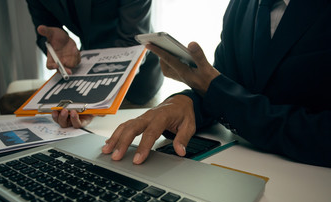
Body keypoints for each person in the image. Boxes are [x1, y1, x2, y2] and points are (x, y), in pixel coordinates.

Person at [102, 0, 331, 167]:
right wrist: (185, 102)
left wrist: (214, 91)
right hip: (242, 167)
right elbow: (228, 83)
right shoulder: (242, 6)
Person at [25, 0, 163, 128]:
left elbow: (133, 41)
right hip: (86, 72)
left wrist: (94, 100)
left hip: (136, 86)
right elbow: (44, 30)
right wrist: (53, 48)